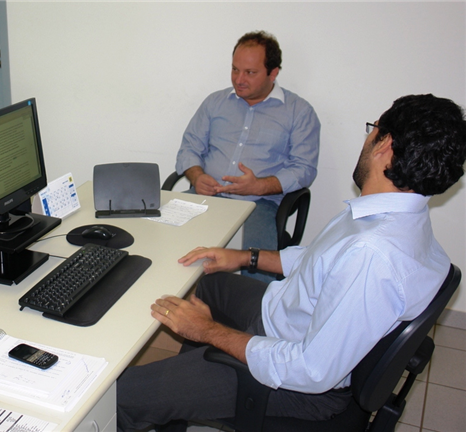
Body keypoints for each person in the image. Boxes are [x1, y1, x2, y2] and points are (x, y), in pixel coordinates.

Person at [118, 94, 466, 431]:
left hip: (300, 387)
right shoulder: (394, 217)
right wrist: (244, 257)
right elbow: (319, 263)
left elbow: (312, 370)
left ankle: (177, 388)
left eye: (373, 128)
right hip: (285, 316)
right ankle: (181, 396)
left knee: (121, 396)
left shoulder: (372, 254)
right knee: (209, 283)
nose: (368, 136)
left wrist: (208, 332)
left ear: (385, 145)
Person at [175, 31, 321, 282]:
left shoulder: (299, 111)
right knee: (160, 240)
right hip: (206, 197)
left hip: (259, 205)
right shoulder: (215, 103)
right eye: (235, 70)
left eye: (250, 73)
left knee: (254, 281)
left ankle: (244, 319)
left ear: (273, 73)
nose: (239, 79)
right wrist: (197, 176)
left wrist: (260, 185)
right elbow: (189, 148)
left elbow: (304, 168)